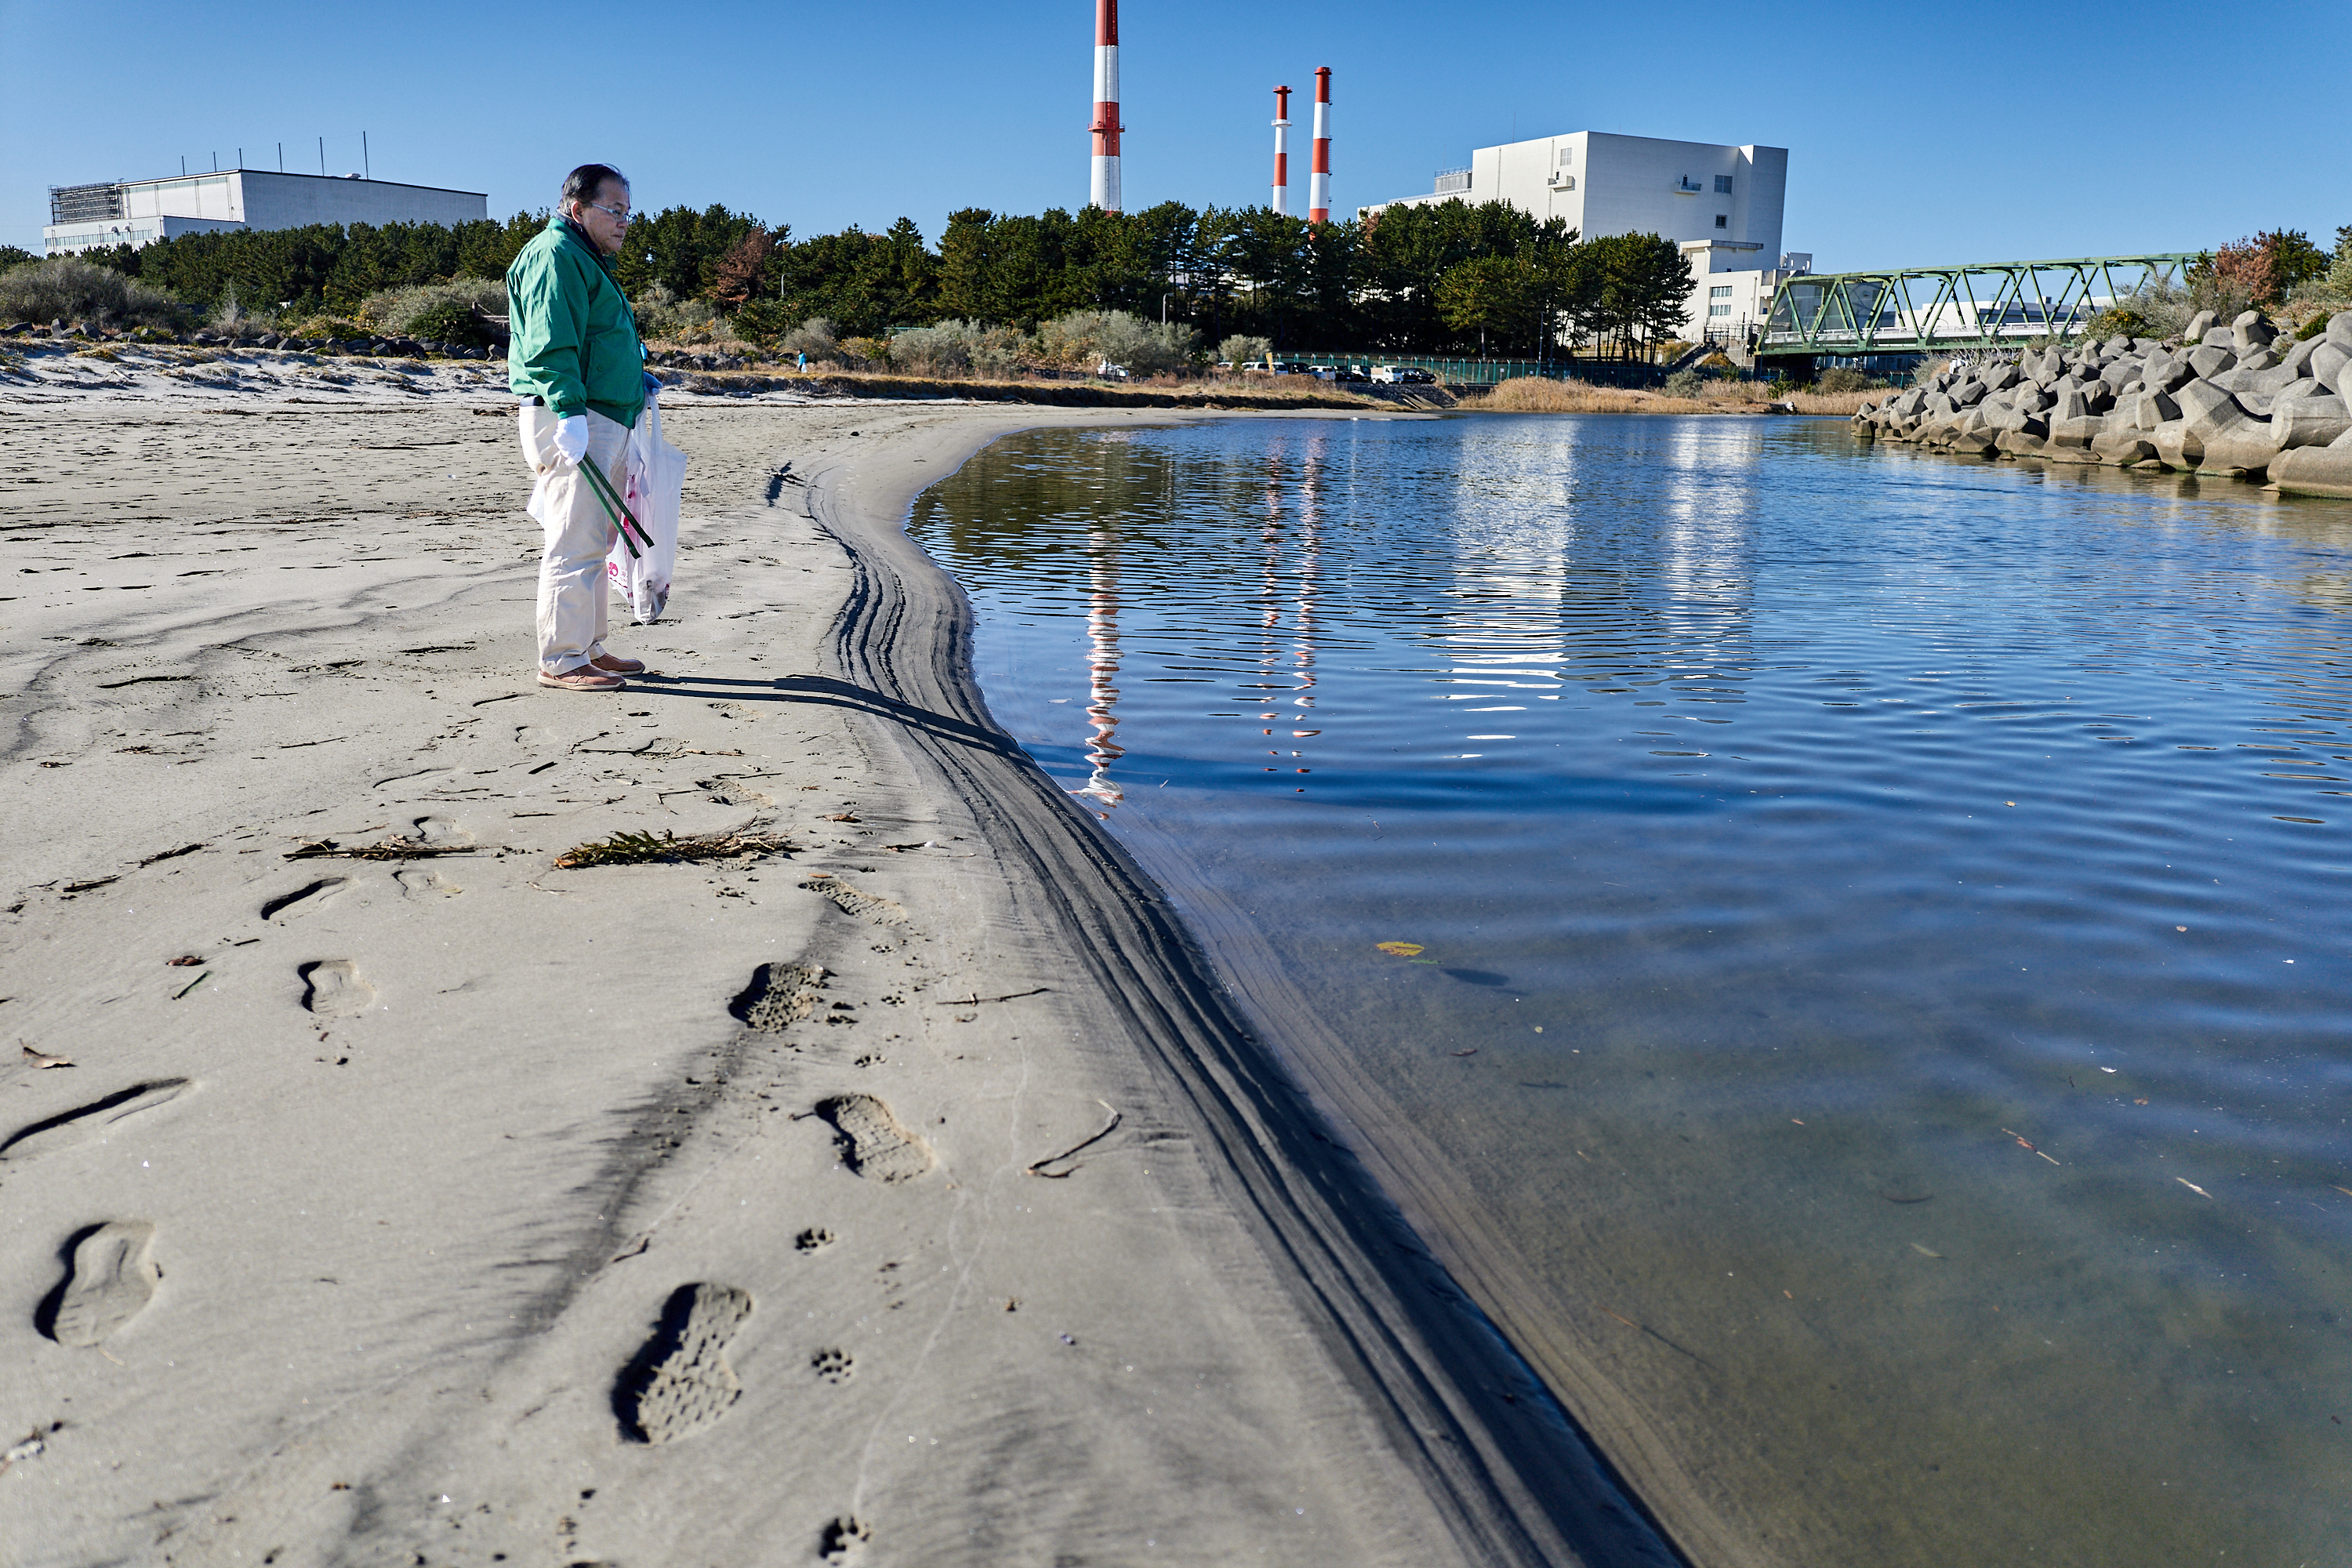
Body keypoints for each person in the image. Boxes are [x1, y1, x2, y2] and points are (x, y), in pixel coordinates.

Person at [507, 162, 651, 692]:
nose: (624, 221)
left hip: (604, 415)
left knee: (596, 540)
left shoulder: (585, 258)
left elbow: (595, 337)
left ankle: (588, 646)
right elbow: (550, 344)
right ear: (577, 208)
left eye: (628, 211)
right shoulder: (556, 255)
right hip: (576, 416)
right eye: (614, 210)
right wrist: (568, 412)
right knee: (574, 541)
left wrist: (635, 376)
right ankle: (562, 659)